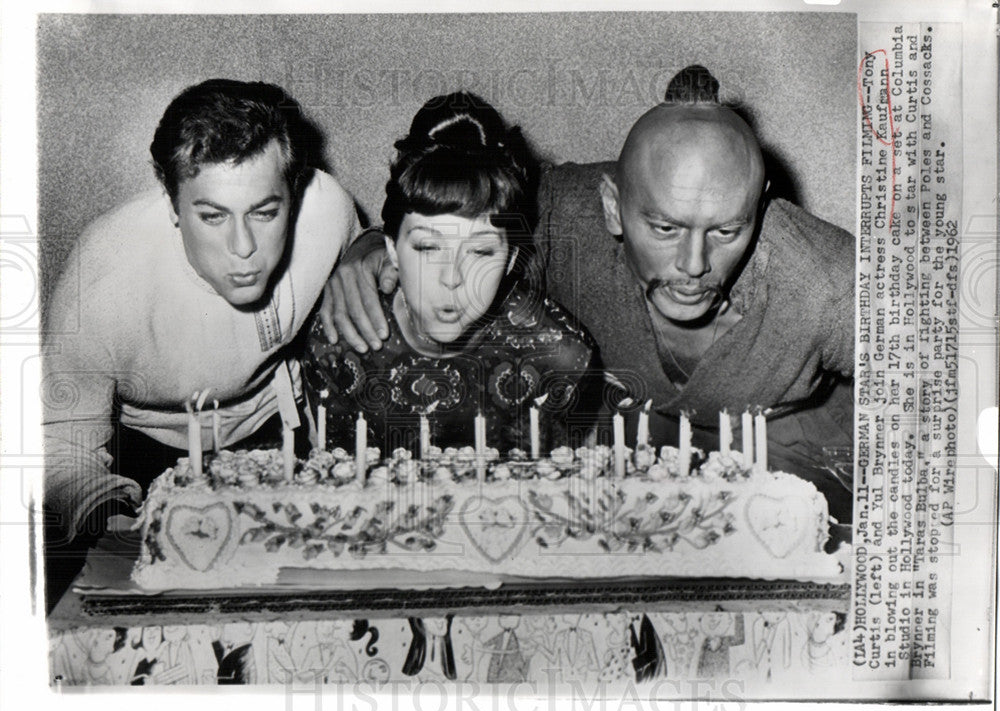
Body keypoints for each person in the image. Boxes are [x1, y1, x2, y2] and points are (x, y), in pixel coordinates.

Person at [322, 67, 855, 520]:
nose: (695, 266)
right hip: (633, 450)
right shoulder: (563, 216)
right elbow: (458, 206)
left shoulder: (828, 285)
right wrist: (368, 249)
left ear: (760, 206)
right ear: (610, 206)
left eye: (726, 231)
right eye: (664, 229)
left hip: (792, 451)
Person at [42, 79, 359, 607]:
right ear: (171, 201)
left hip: (276, 433)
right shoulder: (100, 279)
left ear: (296, 190)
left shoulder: (328, 212)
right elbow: (63, 444)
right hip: (140, 462)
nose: (244, 249)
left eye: (265, 212)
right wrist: (109, 515)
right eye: (212, 216)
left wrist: (370, 250)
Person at [302, 92, 599, 455]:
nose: (452, 278)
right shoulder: (341, 347)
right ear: (392, 249)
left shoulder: (560, 359)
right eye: (428, 248)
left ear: (510, 261)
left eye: (480, 251)